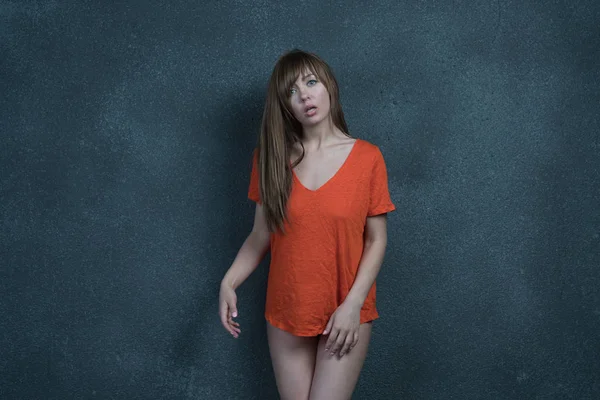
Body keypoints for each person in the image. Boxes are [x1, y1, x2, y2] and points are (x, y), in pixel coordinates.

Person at [218, 49, 395, 400]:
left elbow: (376, 240)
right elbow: (259, 236)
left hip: (346, 312)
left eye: (311, 82)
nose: (305, 96)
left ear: (329, 85)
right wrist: (229, 281)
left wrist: (352, 305)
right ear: (286, 105)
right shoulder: (270, 160)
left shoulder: (367, 158)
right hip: (288, 310)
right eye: (292, 92)